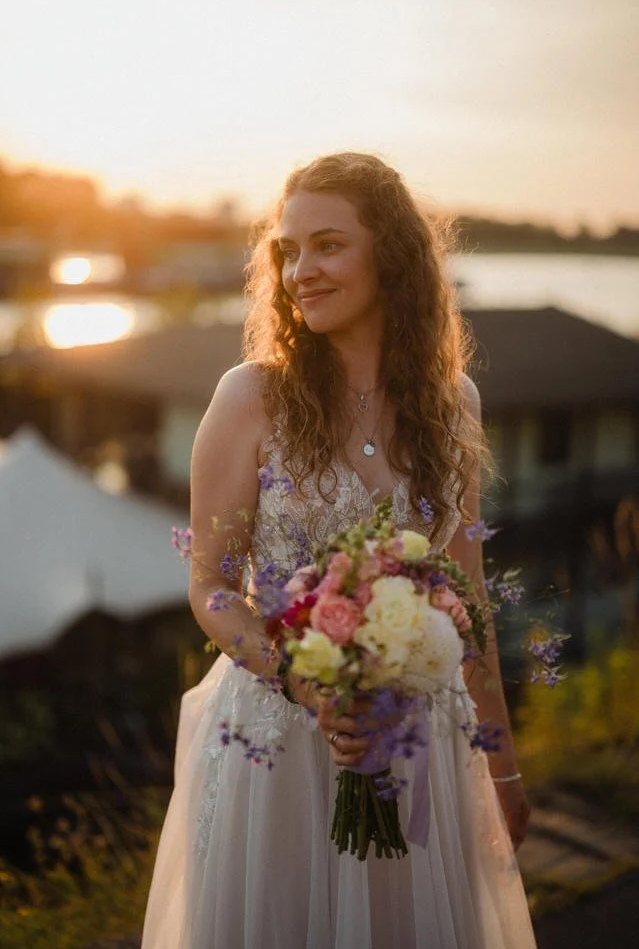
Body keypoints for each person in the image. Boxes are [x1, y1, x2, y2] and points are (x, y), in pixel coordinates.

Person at [141, 152, 536, 948]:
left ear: (388, 255)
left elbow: (467, 599)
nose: (298, 271)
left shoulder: (452, 403)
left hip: (417, 746)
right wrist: (306, 683)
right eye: (286, 250)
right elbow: (212, 587)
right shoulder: (249, 396)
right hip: (275, 748)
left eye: (326, 245)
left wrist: (502, 767)